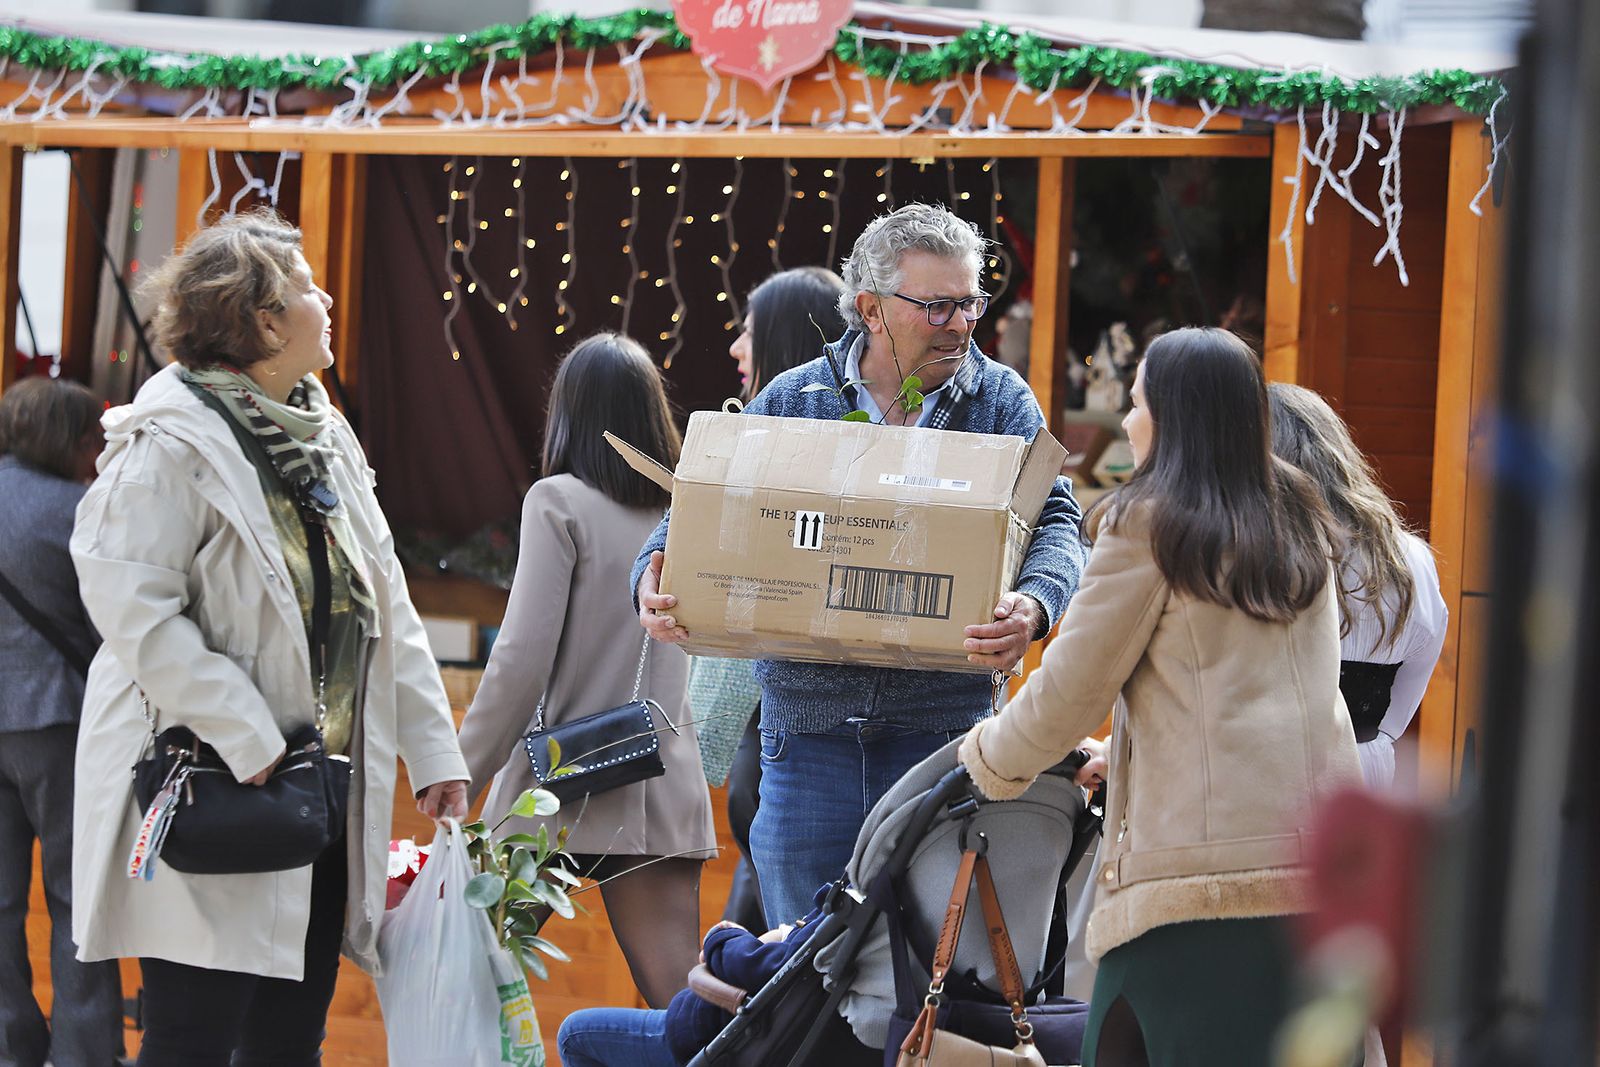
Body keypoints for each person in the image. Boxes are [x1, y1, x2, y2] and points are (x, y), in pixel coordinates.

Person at [69, 210, 470, 1065]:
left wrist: (434, 751)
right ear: (263, 320)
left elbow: (382, 598)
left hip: (314, 794)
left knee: (292, 1038)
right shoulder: (166, 440)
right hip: (215, 781)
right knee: (190, 1038)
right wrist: (247, 735)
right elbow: (131, 604)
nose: (325, 300)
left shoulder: (324, 431)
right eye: (307, 288)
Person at [635, 203, 1086, 927]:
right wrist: (652, 572)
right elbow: (702, 510)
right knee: (802, 967)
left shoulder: (1001, 401)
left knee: (928, 972)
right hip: (806, 740)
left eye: (971, 301)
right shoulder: (794, 398)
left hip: (942, 738)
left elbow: (1058, 518)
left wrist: (1035, 604)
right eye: (938, 305)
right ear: (871, 309)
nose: (962, 322)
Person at [957, 327, 1363, 1066]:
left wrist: (983, 757)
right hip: (1311, 872)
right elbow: (1261, 689)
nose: (1130, 417)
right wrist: (1127, 754)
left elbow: (1068, 691)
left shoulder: (1151, 521)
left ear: (1170, 414)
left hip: (1191, 890)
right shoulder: (1295, 511)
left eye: (1137, 400)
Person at [458, 332, 717, 1009]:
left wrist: (460, 772)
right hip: (655, 782)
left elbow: (519, 657)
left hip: (554, 785)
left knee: (475, 989)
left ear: (567, 414)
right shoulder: (684, 514)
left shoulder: (558, 502)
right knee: (683, 1007)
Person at [695, 265, 849, 933]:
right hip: (773, 744)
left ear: (786, 342)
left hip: (780, 737)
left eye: (750, 332)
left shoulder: (790, 466)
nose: (736, 347)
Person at [0, 379, 122, 1067]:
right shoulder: (78, 511)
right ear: (70, 441)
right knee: (79, 898)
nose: (94, 456)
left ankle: (9, 1046)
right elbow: (110, 624)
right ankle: (83, 1053)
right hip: (58, 723)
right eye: (89, 442)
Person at [1268, 383, 1448, 788]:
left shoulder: (1255, 551)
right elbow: (1407, 691)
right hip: (1366, 767)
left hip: (1268, 774)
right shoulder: (1410, 555)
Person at [556, 901, 825, 1067]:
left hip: (714, 1034)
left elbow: (759, 965)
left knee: (573, 1034)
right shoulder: (855, 916)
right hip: (746, 1026)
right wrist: (783, 933)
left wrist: (722, 935)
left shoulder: (850, 907)